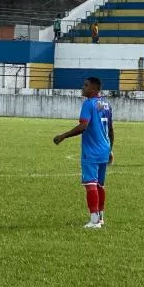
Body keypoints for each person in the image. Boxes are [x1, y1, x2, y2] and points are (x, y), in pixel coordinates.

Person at [53, 76, 112, 229]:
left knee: (90, 184)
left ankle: (94, 221)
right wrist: (110, 148)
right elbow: (111, 129)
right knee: (100, 184)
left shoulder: (88, 104)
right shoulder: (106, 104)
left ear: (93, 88)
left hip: (92, 150)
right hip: (104, 149)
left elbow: (83, 126)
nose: (82, 87)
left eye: (86, 85)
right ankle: (101, 217)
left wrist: (63, 136)